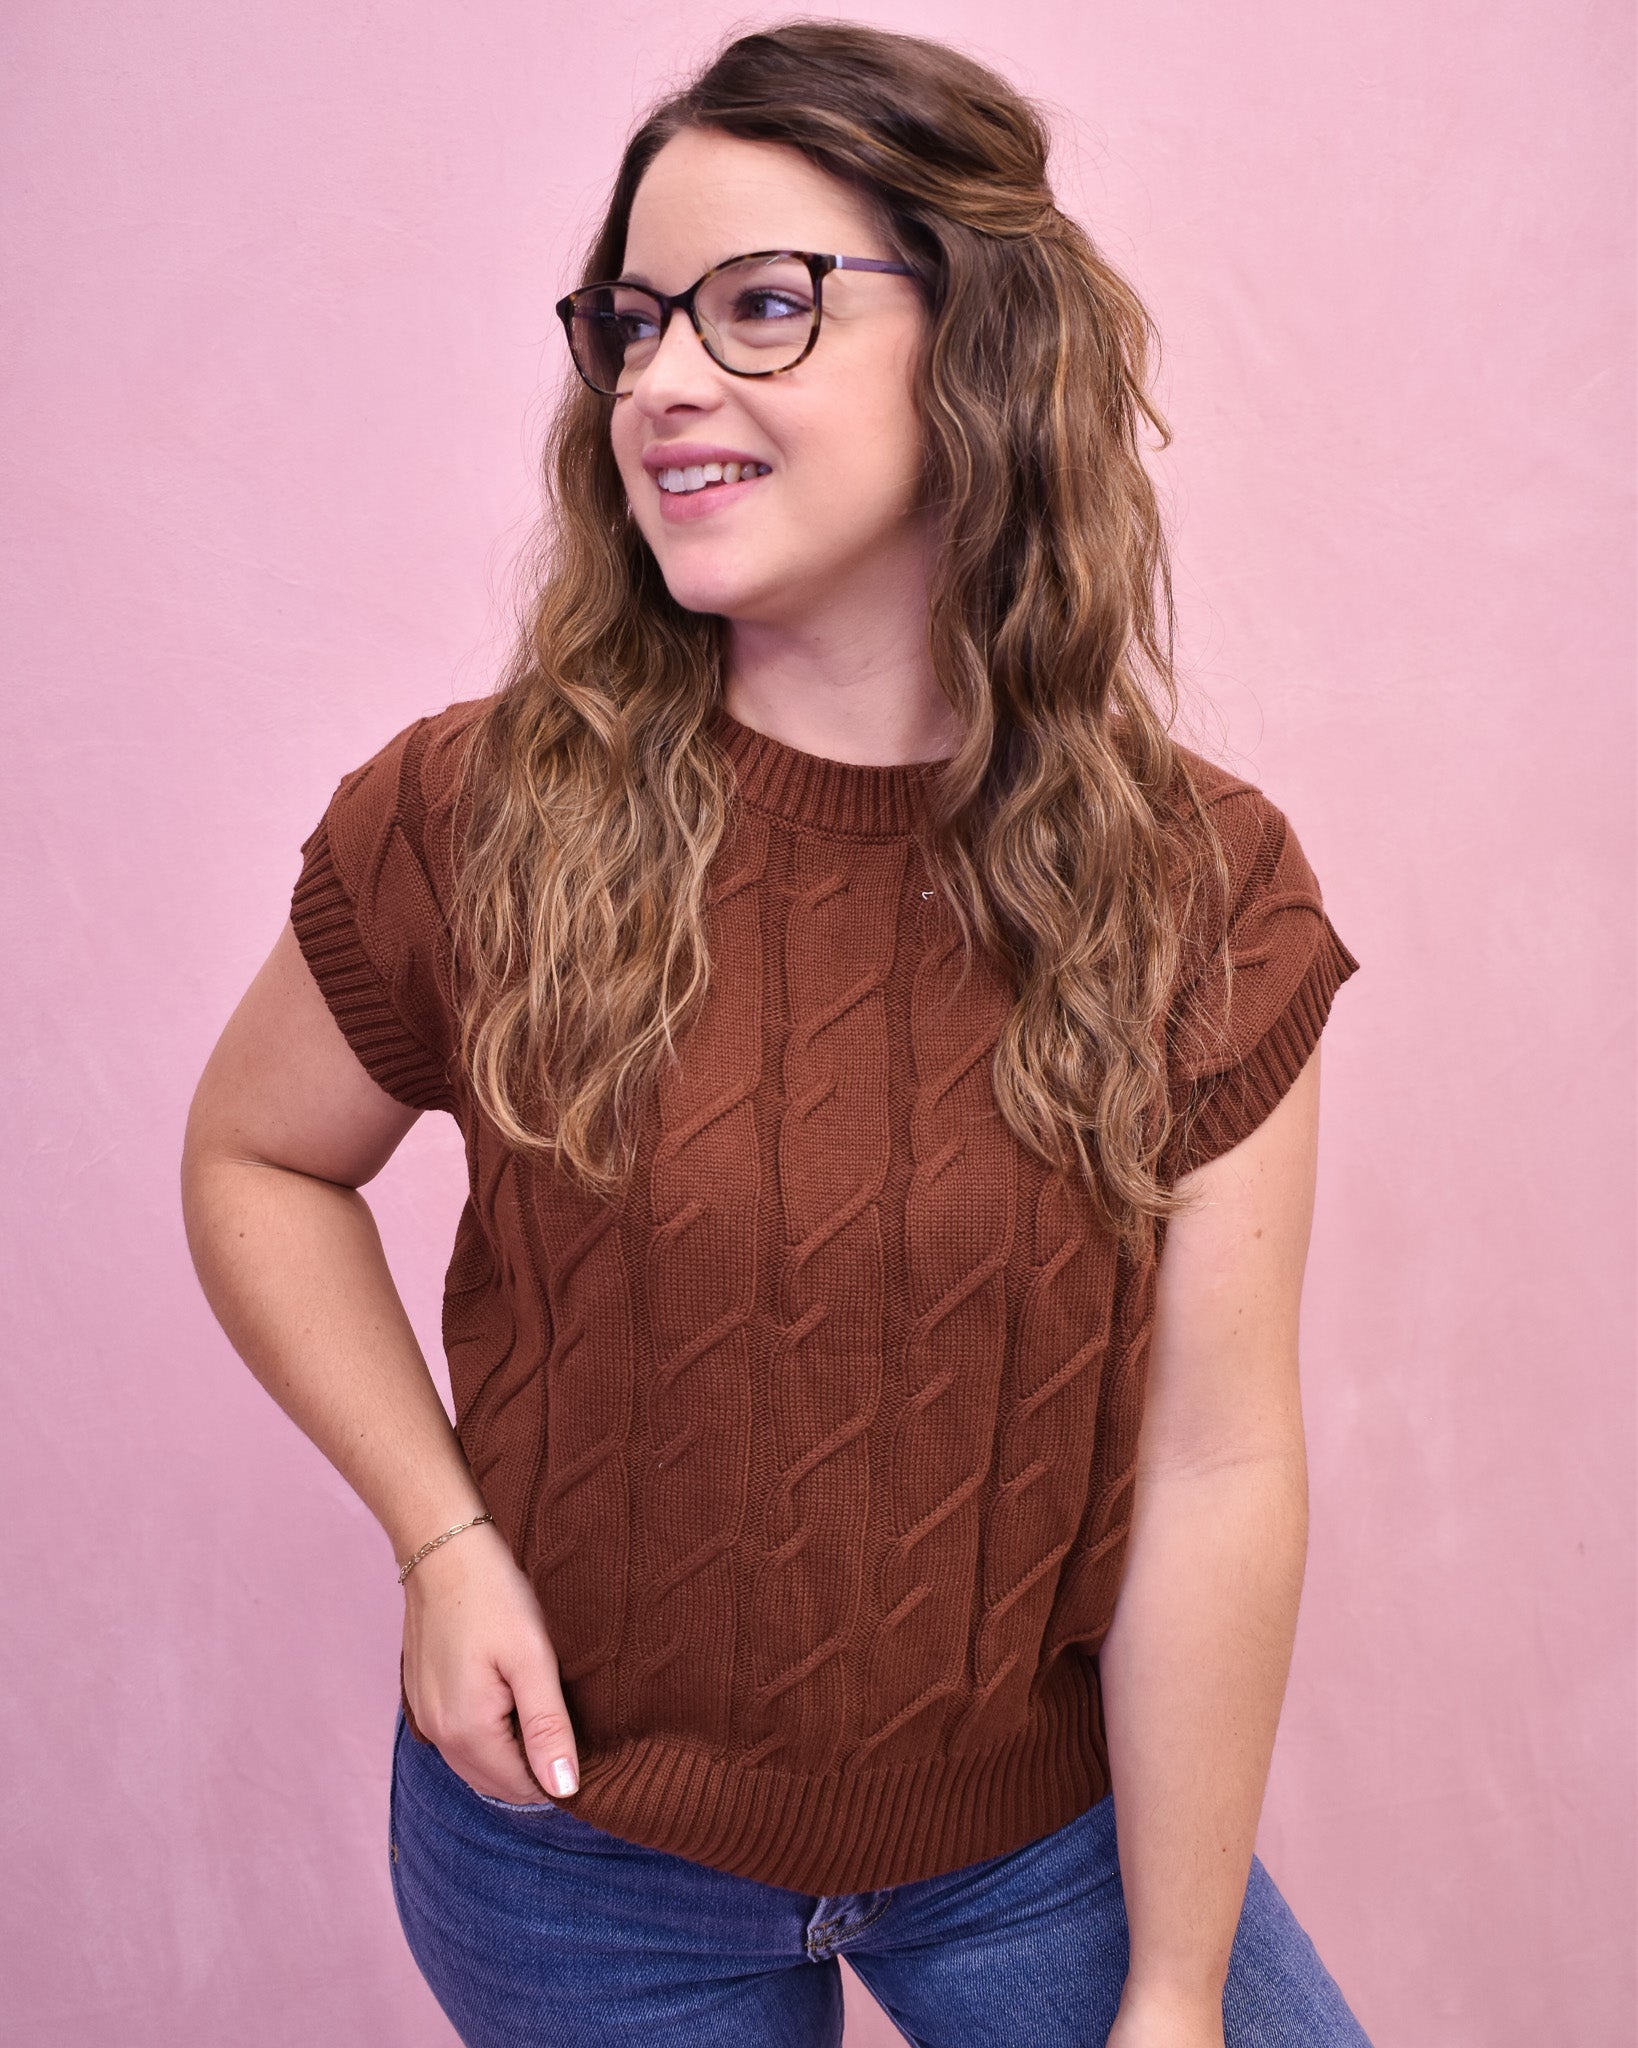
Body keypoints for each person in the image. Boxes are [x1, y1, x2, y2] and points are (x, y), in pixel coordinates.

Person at [181, 21, 1370, 2047]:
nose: (659, 380)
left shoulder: (1201, 889)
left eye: (761, 307)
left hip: (1047, 1846)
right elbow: (256, 1156)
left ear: (982, 344)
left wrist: (1174, 1988)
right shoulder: (472, 814)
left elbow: (1217, 1460)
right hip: (570, 1853)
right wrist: (439, 1532)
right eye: (631, 322)